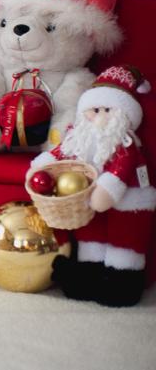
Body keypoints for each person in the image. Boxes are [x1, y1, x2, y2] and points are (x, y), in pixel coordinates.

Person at [30, 65, 155, 307]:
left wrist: (106, 190)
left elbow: (123, 168)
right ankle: (87, 281)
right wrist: (42, 165)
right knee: (91, 238)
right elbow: (60, 153)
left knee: (125, 243)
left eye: (107, 110)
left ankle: (122, 286)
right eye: (94, 109)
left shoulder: (126, 143)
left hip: (128, 200)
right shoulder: (78, 136)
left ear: (123, 114)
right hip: (87, 198)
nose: (99, 116)